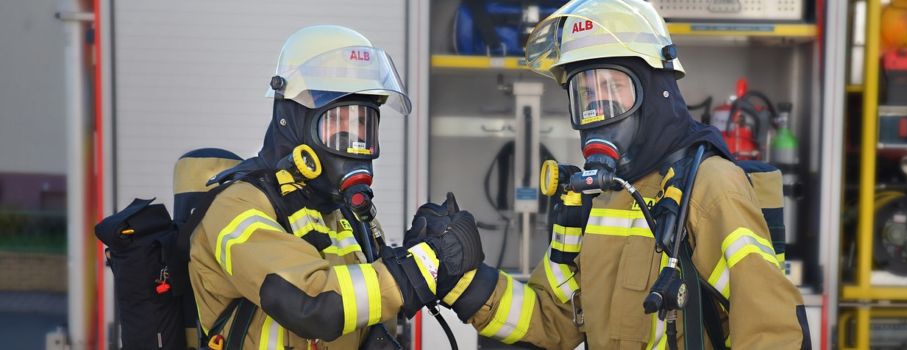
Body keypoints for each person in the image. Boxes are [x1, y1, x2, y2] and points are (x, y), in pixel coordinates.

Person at [426, 0, 812, 348]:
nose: (599, 107)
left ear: (656, 90)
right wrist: (465, 280)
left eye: (613, 86)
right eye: (587, 94)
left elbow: (771, 334)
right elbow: (551, 319)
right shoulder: (598, 198)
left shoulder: (711, 189)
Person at [187, 25, 483, 349]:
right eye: (337, 121)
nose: (352, 138)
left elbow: (372, 296)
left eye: (361, 124)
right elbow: (313, 304)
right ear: (295, 121)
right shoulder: (238, 208)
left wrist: (414, 251)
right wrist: (427, 265)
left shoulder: (348, 215)